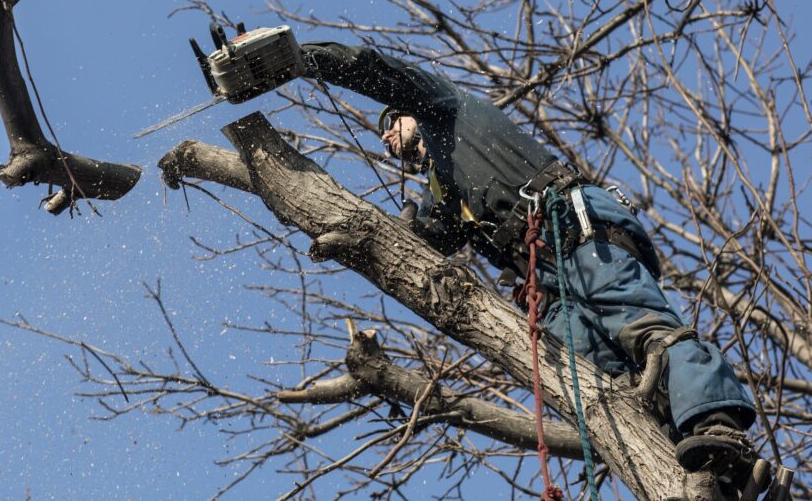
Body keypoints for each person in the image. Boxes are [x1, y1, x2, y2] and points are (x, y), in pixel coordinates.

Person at [301, 41, 758, 487]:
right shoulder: (442, 190)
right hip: (544, 283)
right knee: (605, 384)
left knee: (638, 323)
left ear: (410, 109)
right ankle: (697, 464)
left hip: (574, 230)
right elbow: (430, 242)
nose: (385, 136)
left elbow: (380, 71)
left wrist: (304, 60)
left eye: (389, 122)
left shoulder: (447, 108)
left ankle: (717, 422)